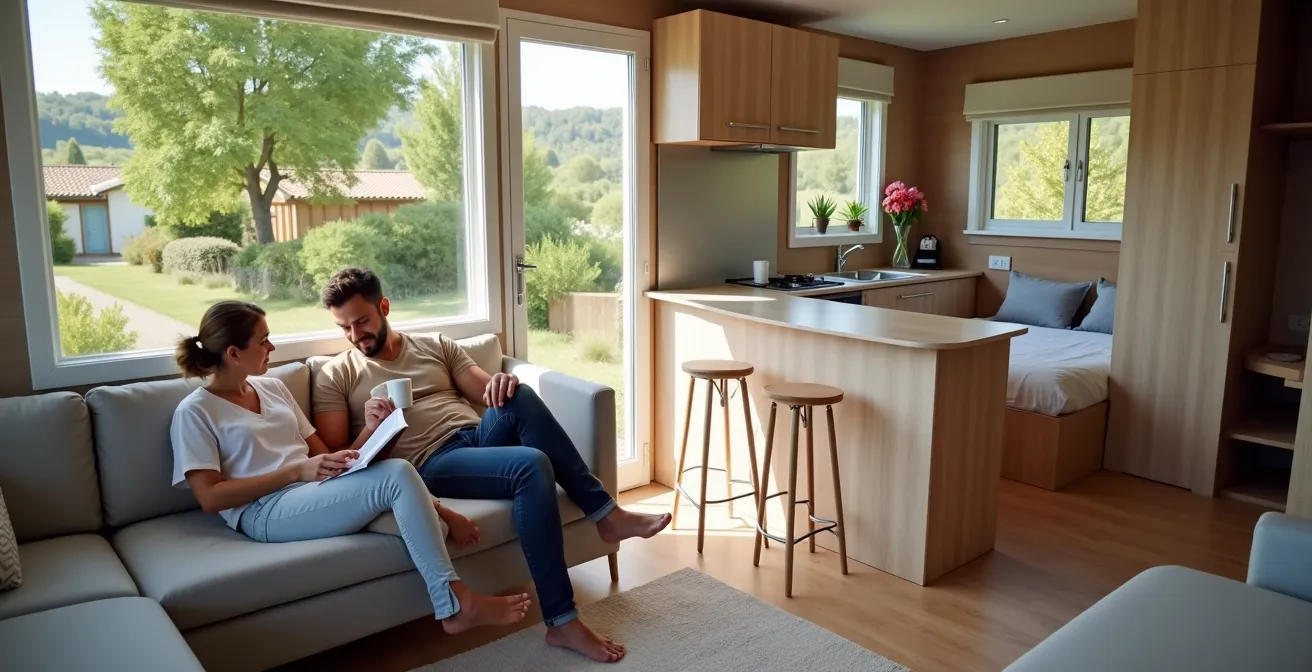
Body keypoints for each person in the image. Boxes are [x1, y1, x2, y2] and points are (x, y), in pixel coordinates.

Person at [312, 268, 671, 663]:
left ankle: (605, 513)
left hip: (476, 438)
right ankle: (562, 620)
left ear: (384, 307)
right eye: (344, 327)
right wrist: (374, 426)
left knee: (520, 394)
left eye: (361, 321)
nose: (354, 334)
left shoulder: (436, 346)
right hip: (432, 462)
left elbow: (487, 390)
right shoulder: (337, 374)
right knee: (531, 465)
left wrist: (502, 383)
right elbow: (339, 461)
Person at [168, 300, 531, 636]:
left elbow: (333, 458)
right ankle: (456, 604)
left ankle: (451, 589)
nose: (272, 348)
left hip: (315, 491)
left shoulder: (274, 388)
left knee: (427, 521)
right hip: (265, 510)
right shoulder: (196, 412)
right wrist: (296, 472)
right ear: (234, 353)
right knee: (399, 472)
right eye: (264, 341)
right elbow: (210, 498)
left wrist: (374, 429)